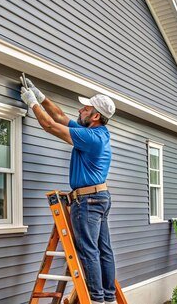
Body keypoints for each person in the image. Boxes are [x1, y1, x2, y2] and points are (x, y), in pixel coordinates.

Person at [20, 77, 117, 304]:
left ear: (95, 117)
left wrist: (31, 102)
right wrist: (41, 96)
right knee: (104, 250)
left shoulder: (90, 138)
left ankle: (96, 300)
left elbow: (51, 125)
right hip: (99, 197)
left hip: (88, 201)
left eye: (86, 108)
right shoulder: (96, 134)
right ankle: (108, 298)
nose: (80, 109)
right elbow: (61, 117)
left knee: (89, 251)